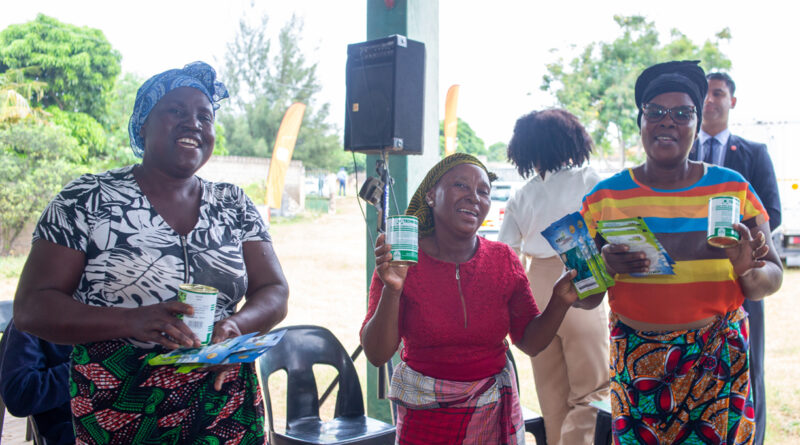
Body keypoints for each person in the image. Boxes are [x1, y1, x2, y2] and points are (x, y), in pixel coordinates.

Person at [13, 61, 289, 444]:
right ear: (142, 124)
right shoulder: (86, 199)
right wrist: (130, 320)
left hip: (222, 403)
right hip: (120, 406)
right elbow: (31, 308)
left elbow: (274, 290)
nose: (194, 123)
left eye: (204, 116)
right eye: (176, 111)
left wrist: (236, 326)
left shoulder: (234, 204)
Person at [579, 60, 783, 444]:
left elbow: (769, 279)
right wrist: (602, 268)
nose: (667, 121)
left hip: (717, 364)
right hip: (636, 366)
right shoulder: (603, 198)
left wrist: (748, 271)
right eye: (654, 112)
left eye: (682, 113)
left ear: (696, 120)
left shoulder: (734, 189)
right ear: (640, 122)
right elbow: (586, 298)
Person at [360, 153, 580, 444]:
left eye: (483, 191)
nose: (474, 197)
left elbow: (531, 342)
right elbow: (377, 353)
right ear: (430, 196)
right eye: (460, 186)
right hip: (426, 419)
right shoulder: (401, 262)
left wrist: (560, 301)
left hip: (494, 412)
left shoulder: (502, 259)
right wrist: (393, 289)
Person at [498, 109, 609, 445]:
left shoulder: (521, 195)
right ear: (572, 141)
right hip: (580, 279)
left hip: (534, 287)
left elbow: (506, 252)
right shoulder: (590, 180)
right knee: (592, 390)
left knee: (551, 393)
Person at [688, 71, 780, 445]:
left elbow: (771, 209)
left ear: (732, 101)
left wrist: (742, 246)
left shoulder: (753, 153)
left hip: (743, 276)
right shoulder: (681, 150)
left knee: (750, 365)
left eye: (719, 93)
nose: (711, 100)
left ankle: (752, 439)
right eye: (705, 95)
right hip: (694, 282)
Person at [0, 319, 74, 445]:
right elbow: (19, 395)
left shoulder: (116, 312)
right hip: (72, 432)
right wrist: (88, 368)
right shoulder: (34, 317)